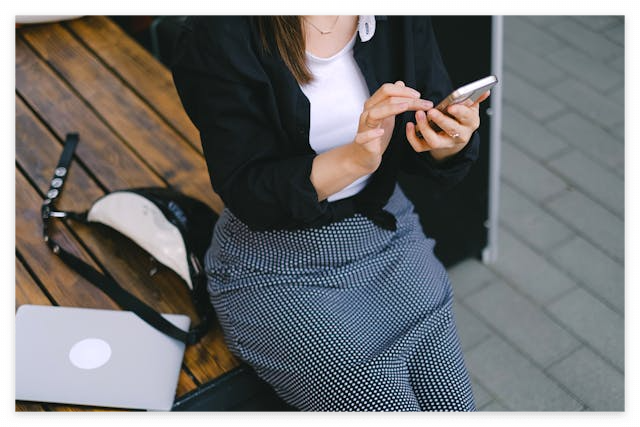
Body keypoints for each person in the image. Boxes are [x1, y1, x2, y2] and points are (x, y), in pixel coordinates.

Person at [171, 15, 489, 411]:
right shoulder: (220, 30)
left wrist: (450, 141)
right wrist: (356, 159)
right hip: (274, 263)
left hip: (382, 229)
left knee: (454, 407)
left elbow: (425, 130)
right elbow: (249, 191)